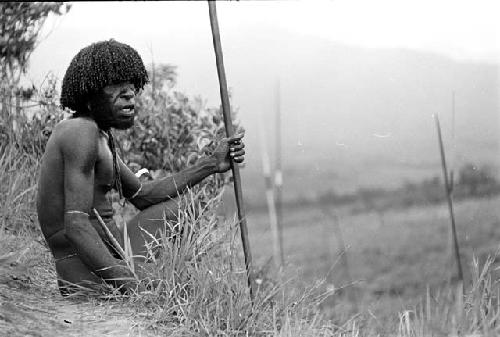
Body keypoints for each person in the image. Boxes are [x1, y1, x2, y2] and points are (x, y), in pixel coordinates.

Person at [36, 39, 245, 295]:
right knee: (159, 283)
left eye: (132, 85)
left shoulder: (99, 135)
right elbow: (76, 225)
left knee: (183, 205)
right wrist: (130, 285)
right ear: (89, 93)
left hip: (110, 257)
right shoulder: (80, 132)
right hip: (86, 274)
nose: (129, 94)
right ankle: (155, 285)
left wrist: (212, 163)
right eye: (116, 86)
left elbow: (143, 195)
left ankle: (166, 280)